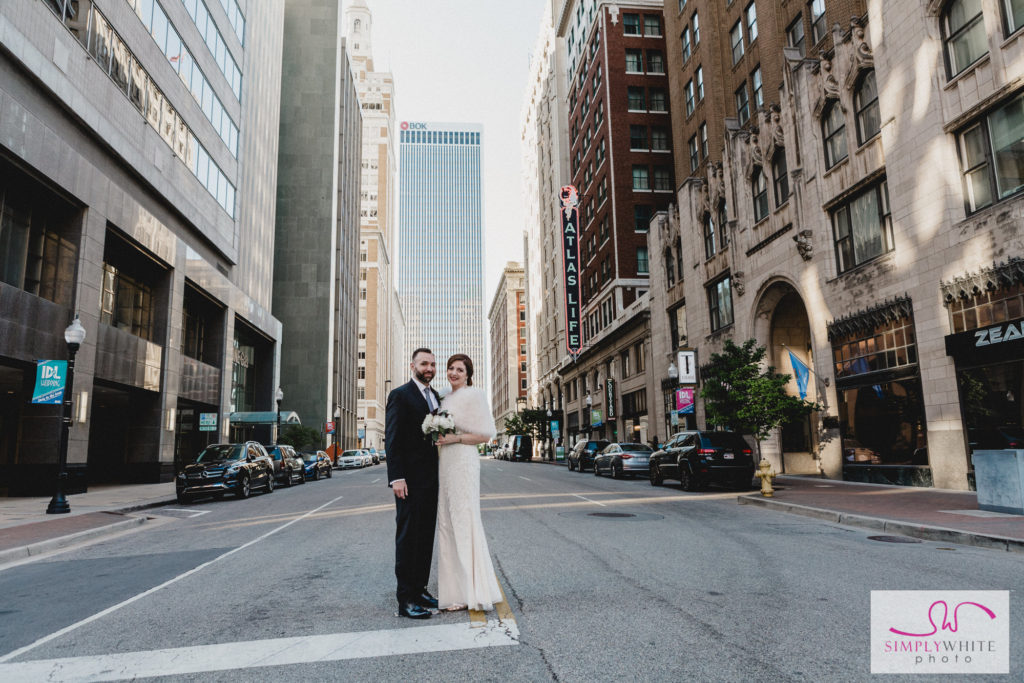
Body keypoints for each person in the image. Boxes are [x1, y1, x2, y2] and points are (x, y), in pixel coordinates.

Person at [434, 354, 503, 612]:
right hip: (445, 462)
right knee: (447, 522)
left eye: (459, 370)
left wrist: (455, 439)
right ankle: (454, 592)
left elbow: (485, 435)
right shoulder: (442, 396)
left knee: (464, 521)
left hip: (463, 460)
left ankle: (472, 592)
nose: (453, 373)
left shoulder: (474, 395)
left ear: (467, 374)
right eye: (450, 368)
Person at [385, 348, 441, 619]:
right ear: (413, 366)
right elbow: (392, 438)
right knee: (408, 537)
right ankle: (405, 599)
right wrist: (396, 477)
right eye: (423, 364)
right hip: (407, 481)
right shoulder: (400, 395)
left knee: (425, 535)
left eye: (432, 364)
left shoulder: (435, 397)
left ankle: (420, 589)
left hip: (431, 479)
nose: (428, 368)